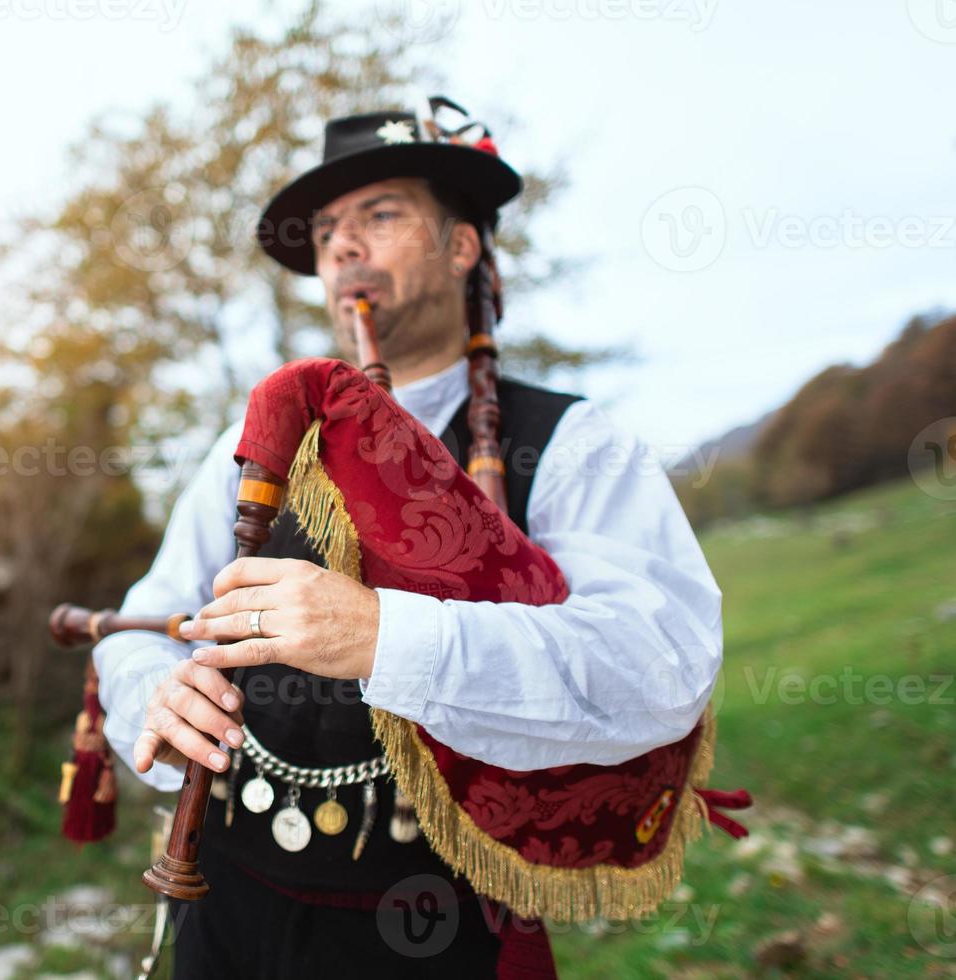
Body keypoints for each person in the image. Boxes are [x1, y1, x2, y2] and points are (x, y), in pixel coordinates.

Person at [92, 102, 723, 977]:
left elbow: (660, 666)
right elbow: (146, 619)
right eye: (325, 234)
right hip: (228, 908)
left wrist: (383, 636)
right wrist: (155, 692)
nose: (344, 246)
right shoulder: (256, 443)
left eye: (380, 215)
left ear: (462, 246)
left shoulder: (570, 441)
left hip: (434, 928)